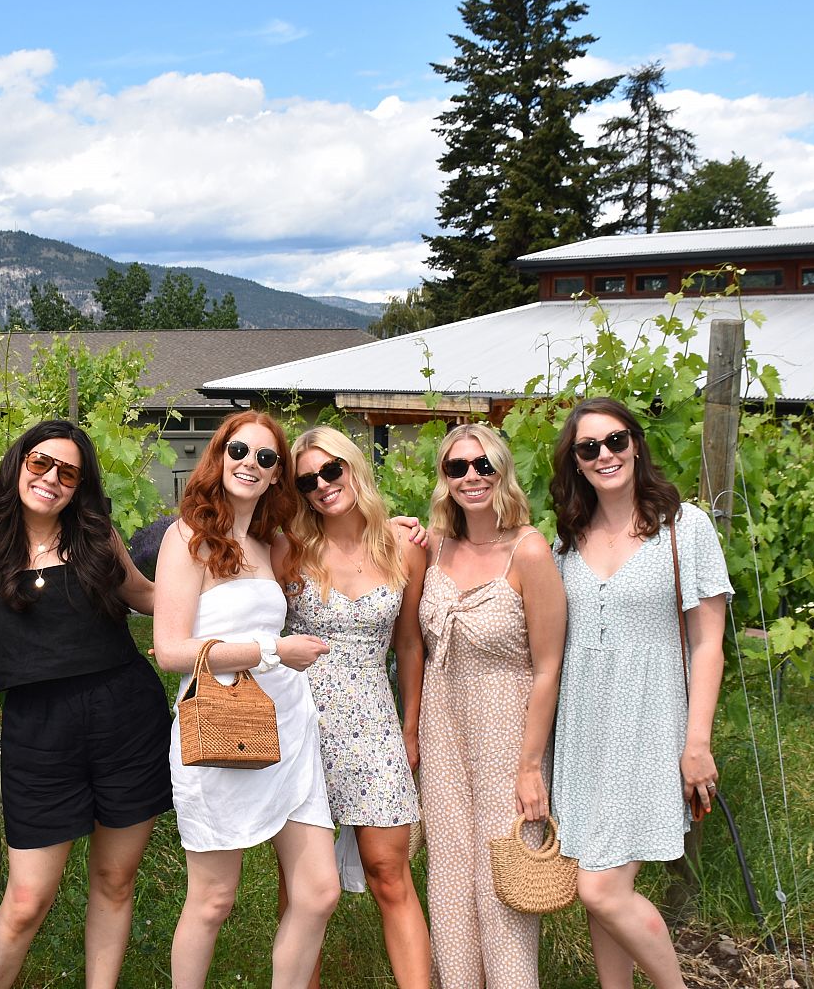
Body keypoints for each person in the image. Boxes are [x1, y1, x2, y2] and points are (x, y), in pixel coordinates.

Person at [0, 420, 171, 989]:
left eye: (68, 471)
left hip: (126, 719)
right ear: (18, 465)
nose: (51, 479)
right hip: (38, 733)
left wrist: (245, 580)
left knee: (115, 880)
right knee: (28, 899)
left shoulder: (98, 538)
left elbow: (155, 599)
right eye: (41, 463)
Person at [548, 397, 731, 989]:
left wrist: (696, 742)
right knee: (601, 888)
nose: (605, 455)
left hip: (649, 727)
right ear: (575, 462)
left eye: (616, 440)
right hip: (582, 734)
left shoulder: (685, 528)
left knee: (599, 887)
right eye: (589, 447)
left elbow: (708, 644)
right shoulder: (568, 538)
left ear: (636, 444)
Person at [152, 411, 339, 989]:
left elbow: (348, 556)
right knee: (214, 899)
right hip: (220, 727)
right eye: (239, 451)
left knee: (319, 892)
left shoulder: (273, 541)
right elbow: (170, 651)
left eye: (265, 458)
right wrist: (269, 649)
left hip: (289, 728)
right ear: (219, 454)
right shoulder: (187, 538)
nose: (249, 465)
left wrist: (410, 532)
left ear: (278, 472)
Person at [279, 425, 432, 989]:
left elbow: (410, 643)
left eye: (331, 470)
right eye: (307, 480)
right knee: (302, 890)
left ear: (353, 468)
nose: (322, 485)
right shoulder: (287, 549)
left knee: (390, 873)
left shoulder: (403, 547)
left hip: (372, 723)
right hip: (298, 725)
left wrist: (410, 728)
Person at [417, 422, 566, 989]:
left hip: (507, 730)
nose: (471, 476)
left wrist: (531, 766)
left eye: (483, 465)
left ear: (502, 471)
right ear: (444, 478)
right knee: (450, 875)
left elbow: (548, 666)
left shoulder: (528, 550)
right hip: (444, 727)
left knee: (502, 881)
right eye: (457, 467)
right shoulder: (434, 547)